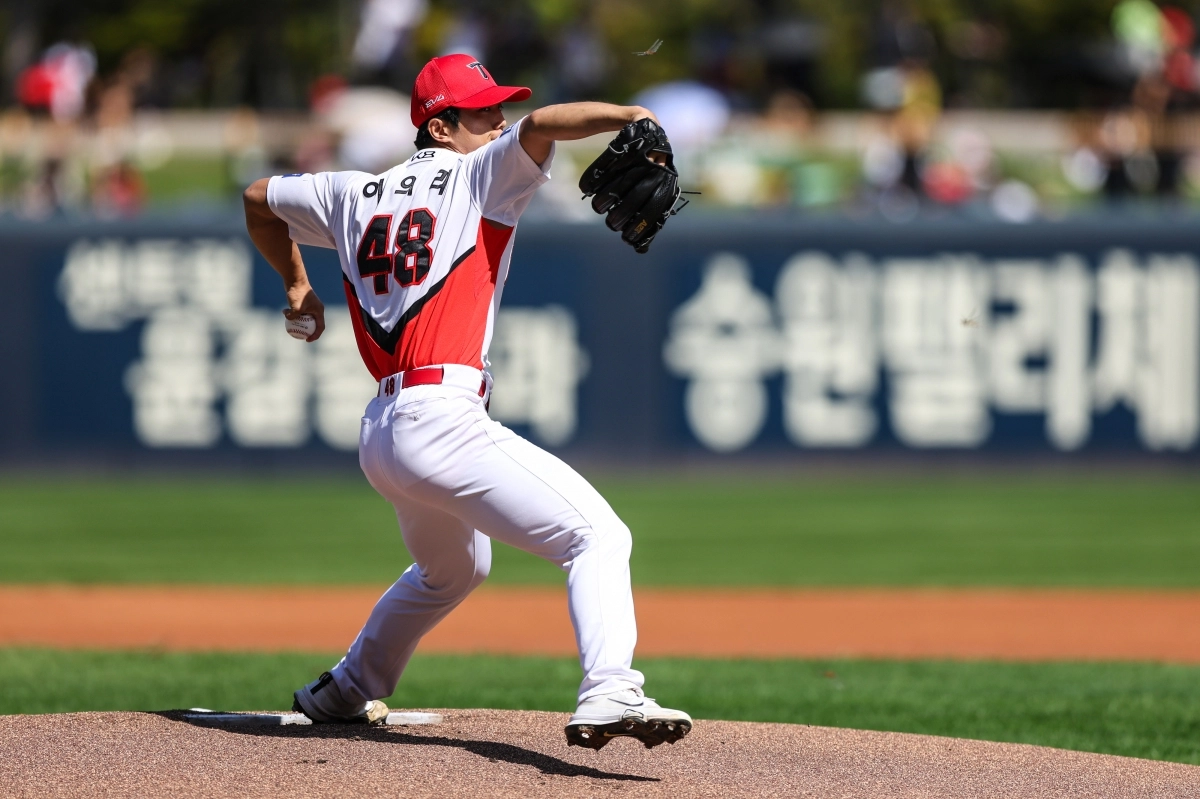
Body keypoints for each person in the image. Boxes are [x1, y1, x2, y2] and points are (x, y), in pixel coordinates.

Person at [242, 53, 692, 750]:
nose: (499, 121)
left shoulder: (350, 192)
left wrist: (297, 285)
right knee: (598, 536)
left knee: (453, 569)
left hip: (383, 435)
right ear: (440, 126)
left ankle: (346, 688)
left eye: (498, 109)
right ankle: (610, 688)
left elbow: (257, 198)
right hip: (442, 417)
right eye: (482, 112)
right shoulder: (478, 173)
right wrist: (631, 114)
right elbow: (542, 126)